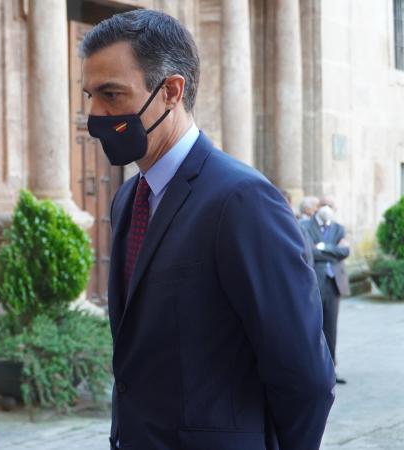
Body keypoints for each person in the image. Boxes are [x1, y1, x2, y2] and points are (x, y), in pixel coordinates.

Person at [81, 10, 335, 449]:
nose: (94, 116)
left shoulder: (242, 201)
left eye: (111, 94)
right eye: (88, 95)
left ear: (171, 92)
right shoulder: (127, 199)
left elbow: (304, 375)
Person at [301, 198, 351, 384]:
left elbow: (345, 252)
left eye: (331, 205)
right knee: (313, 327)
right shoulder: (306, 226)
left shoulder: (339, 228)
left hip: (333, 284)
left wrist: (322, 247)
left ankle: (331, 371)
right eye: (325, 204)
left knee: (331, 329)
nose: (328, 208)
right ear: (318, 207)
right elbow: (309, 251)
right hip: (314, 283)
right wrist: (333, 251)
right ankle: (312, 370)